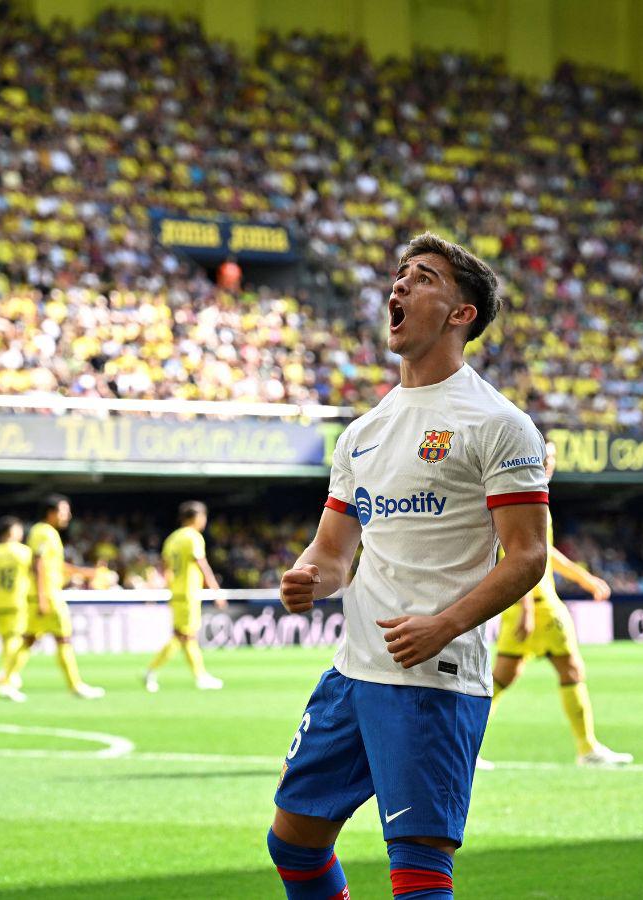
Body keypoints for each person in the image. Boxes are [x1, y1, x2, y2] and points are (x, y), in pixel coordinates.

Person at [268, 233, 550, 900]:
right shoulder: (364, 432)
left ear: (461, 315)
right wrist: (310, 576)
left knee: (419, 873)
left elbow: (530, 554)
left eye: (421, 279)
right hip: (352, 670)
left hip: (433, 679)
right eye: (398, 277)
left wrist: (444, 625)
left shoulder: (498, 425)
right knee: (293, 843)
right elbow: (334, 552)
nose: (397, 288)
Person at [480, 439, 632, 769]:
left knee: (503, 678)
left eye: (551, 457)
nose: (548, 462)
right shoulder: (524, 499)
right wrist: (529, 609)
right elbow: (516, 556)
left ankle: (466, 748)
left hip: (531, 602)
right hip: (536, 603)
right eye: (542, 457)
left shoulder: (535, 498)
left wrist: (583, 578)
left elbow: (546, 553)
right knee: (564, 669)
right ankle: (587, 748)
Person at [3, 494, 105, 698]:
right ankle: (75, 686)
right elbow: (38, 564)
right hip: (48, 595)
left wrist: (85, 572)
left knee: (29, 639)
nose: (68, 515)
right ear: (51, 513)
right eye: (63, 511)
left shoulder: (45, 532)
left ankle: (6, 680)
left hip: (43, 593)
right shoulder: (45, 532)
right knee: (63, 638)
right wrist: (42, 598)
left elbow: (54, 565)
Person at [144, 501, 227, 692]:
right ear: (196, 517)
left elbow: (164, 567)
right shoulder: (193, 537)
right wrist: (215, 590)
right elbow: (202, 564)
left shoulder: (172, 538)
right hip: (189, 592)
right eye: (203, 516)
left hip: (176, 592)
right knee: (184, 635)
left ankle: (200, 676)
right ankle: (153, 671)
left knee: (185, 637)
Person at [0, 515, 32, 703]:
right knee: (17, 640)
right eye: (18, 528)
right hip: (18, 601)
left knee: (6, 640)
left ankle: (9, 674)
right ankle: (7, 677)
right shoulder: (24, 552)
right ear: (10, 531)